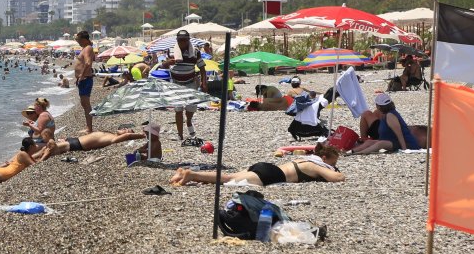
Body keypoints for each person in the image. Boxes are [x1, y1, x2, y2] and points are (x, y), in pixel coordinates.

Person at [170, 142, 345, 186]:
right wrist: (336, 171)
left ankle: (185, 172)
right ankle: (191, 175)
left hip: (265, 166)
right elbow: (337, 178)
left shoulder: (304, 159)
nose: (334, 165)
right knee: (227, 179)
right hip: (272, 175)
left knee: (228, 177)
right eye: (333, 162)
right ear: (324, 159)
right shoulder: (315, 165)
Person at [351, 93, 421, 154]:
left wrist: (404, 150)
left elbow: (400, 134)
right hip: (392, 141)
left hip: (406, 144)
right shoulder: (386, 114)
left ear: (378, 106)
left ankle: (360, 153)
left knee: (380, 144)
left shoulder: (390, 116)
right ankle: (351, 151)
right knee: (369, 142)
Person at [30, 128, 151, 162]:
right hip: (75, 140)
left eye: (127, 130)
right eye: (125, 128)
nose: (125, 129)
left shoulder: (114, 138)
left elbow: (129, 136)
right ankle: (33, 157)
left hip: (77, 144)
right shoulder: (111, 133)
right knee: (48, 147)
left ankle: (37, 160)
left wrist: (143, 134)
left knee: (50, 147)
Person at [171, 30, 206, 143]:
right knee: (178, 110)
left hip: (191, 83)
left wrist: (204, 83)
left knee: (190, 109)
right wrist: (167, 62)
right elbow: (163, 64)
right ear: (177, 40)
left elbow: (202, 68)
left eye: (184, 40)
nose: (182, 42)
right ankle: (180, 135)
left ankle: (189, 121)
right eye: (180, 40)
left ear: (188, 40)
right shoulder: (172, 52)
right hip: (176, 84)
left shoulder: (195, 52)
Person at [74, 31, 97, 133]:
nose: (77, 42)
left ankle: (89, 128)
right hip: (83, 79)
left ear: (84, 39)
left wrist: (81, 76)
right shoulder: (86, 48)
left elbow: (88, 63)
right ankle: (88, 127)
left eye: (78, 40)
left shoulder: (87, 48)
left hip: (85, 79)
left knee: (86, 104)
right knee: (84, 104)